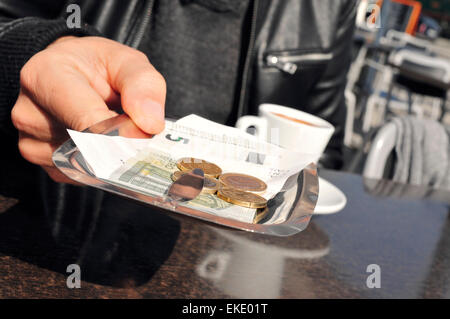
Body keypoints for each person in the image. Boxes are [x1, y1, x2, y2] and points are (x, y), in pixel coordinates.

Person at [0, 0, 356, 186]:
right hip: (58, 225)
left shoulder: (330, 5)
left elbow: (327, 148)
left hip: (239, 258)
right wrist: (31, 54)